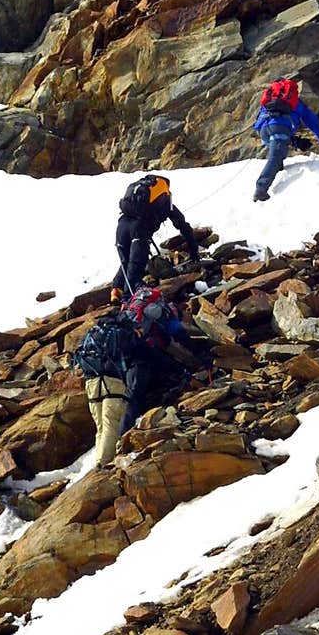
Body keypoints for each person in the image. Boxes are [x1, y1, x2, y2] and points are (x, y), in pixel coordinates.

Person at [119, 286, 212, 433]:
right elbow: (177, 337)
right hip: (139, 358)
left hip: (124, 360)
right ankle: (125, 434)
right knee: (136, 395)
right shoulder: (160, 316)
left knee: (138, 391)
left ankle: (129, 426)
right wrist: (197, 358)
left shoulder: (134, 313)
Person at [111, 174, 199, 305]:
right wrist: (194, 252)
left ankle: (115, 291)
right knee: (136, 266)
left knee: (126, 261)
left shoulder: (137, 202)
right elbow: (184, 227)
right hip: (139, 231)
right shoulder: (166, 204)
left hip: (121, 226)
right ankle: (127, 301)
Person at [73, 312, 140, 465]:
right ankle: (103, 464)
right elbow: (137, 353)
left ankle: (99, 460)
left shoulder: (93, 334)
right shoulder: (120, 333)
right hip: (112, 382)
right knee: (111, 423)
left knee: (101, 427)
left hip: (91, 383)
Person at [252, 78, 319, 202]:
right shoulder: (296, 104)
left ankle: (278, 169)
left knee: (277, 152)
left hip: (263, 130)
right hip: (279, 128)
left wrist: (296, 142)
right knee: (276, 156)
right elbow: (315, 125)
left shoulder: (270, 100)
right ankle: (261, 189)